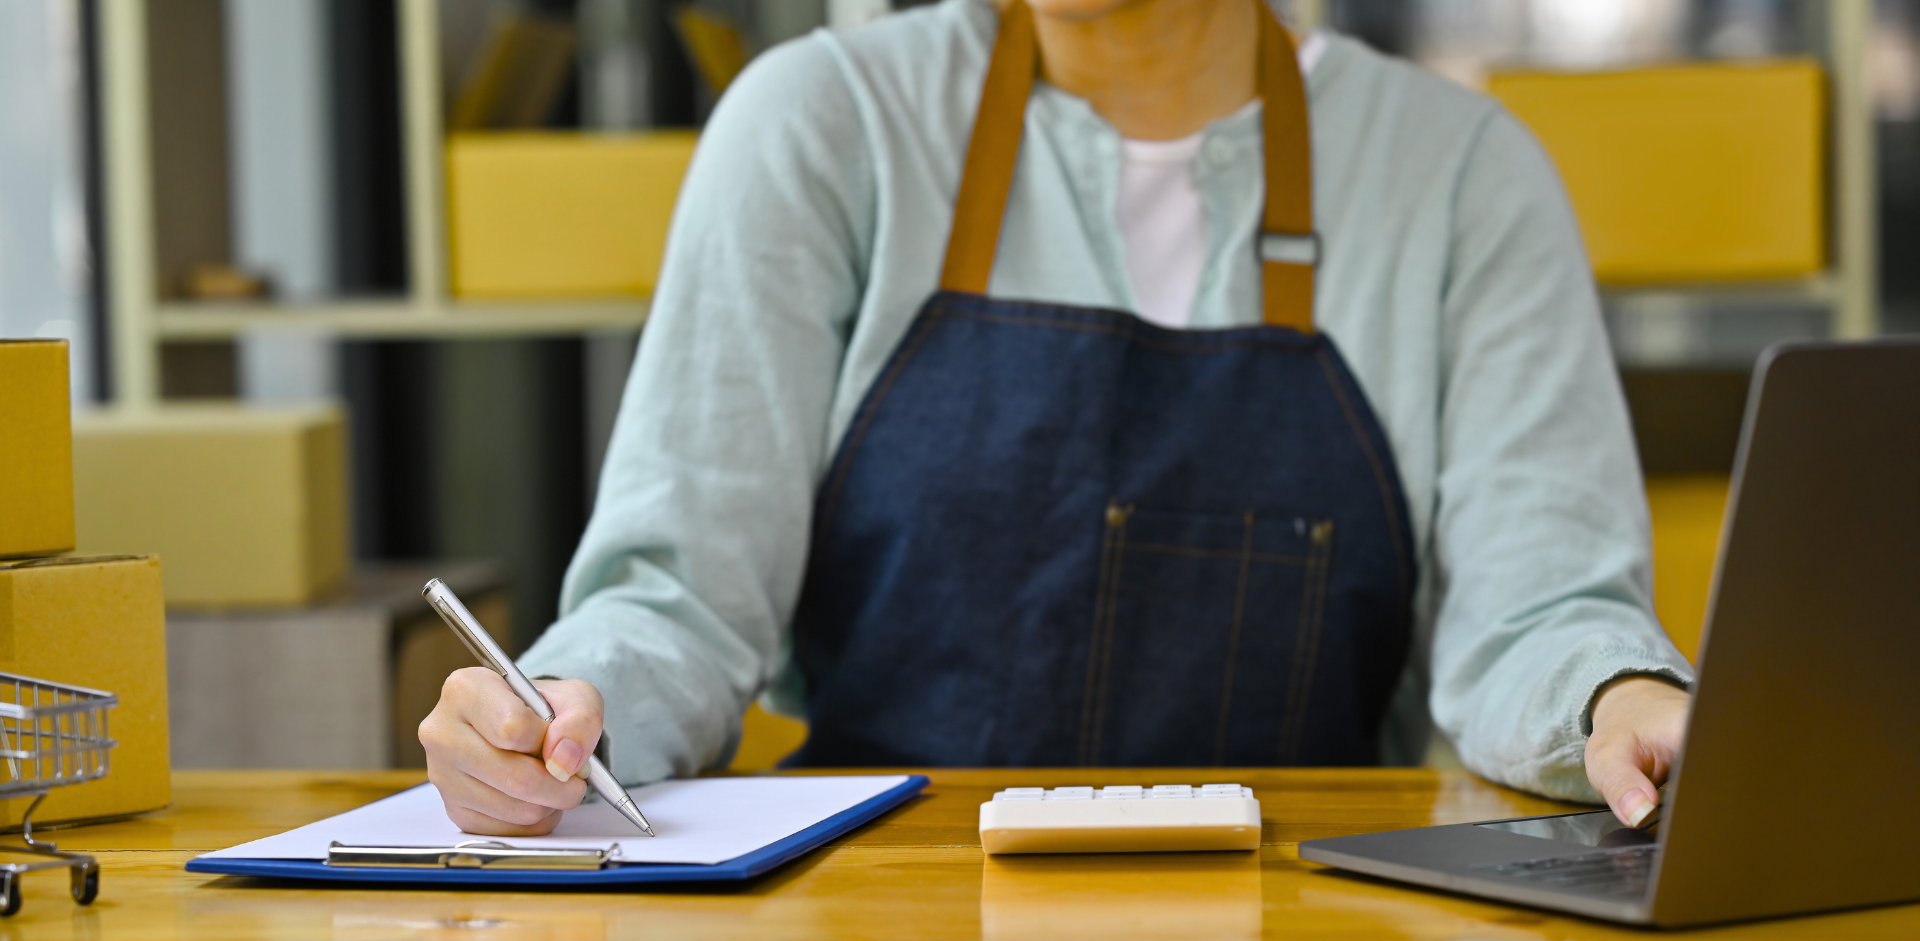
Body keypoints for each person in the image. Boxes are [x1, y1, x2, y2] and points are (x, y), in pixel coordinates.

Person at [419, 0, 1694, 838]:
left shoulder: (1463, 173)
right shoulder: (820, 127)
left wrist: (1621, 699)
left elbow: (1542, 608)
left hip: (1307, 934)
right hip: (871, 928)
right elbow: (681, 599)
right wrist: (563, 713)